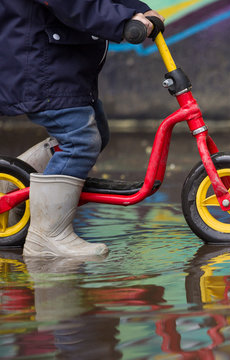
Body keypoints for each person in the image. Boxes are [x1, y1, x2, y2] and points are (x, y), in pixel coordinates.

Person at [0, 1, 164, 257]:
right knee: (79, 143)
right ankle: (47, 235)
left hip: (61, 64)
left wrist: (137, 9)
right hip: (42, 66)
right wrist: (122, 21)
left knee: (96, 133)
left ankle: (10, 187)